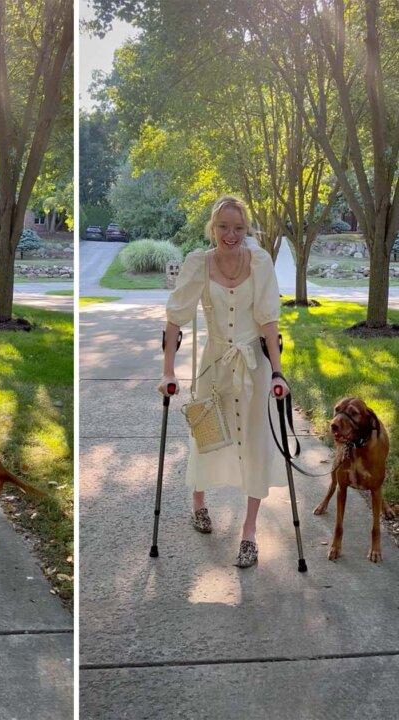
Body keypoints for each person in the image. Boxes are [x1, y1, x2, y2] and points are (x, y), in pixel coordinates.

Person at [159, 195, 289, 568]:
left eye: (237, 228)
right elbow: (174, 319)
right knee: (208, 439)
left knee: (255, 445)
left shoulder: (260, 262)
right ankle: (198, 503)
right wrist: (168, 371)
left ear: (245, 229)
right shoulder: (198, 263)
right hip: (213, 366)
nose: (230, 235)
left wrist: (278, 372)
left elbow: (268, 323)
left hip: (252, 367)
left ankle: (248, 532)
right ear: (212, 228)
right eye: (223, 227)